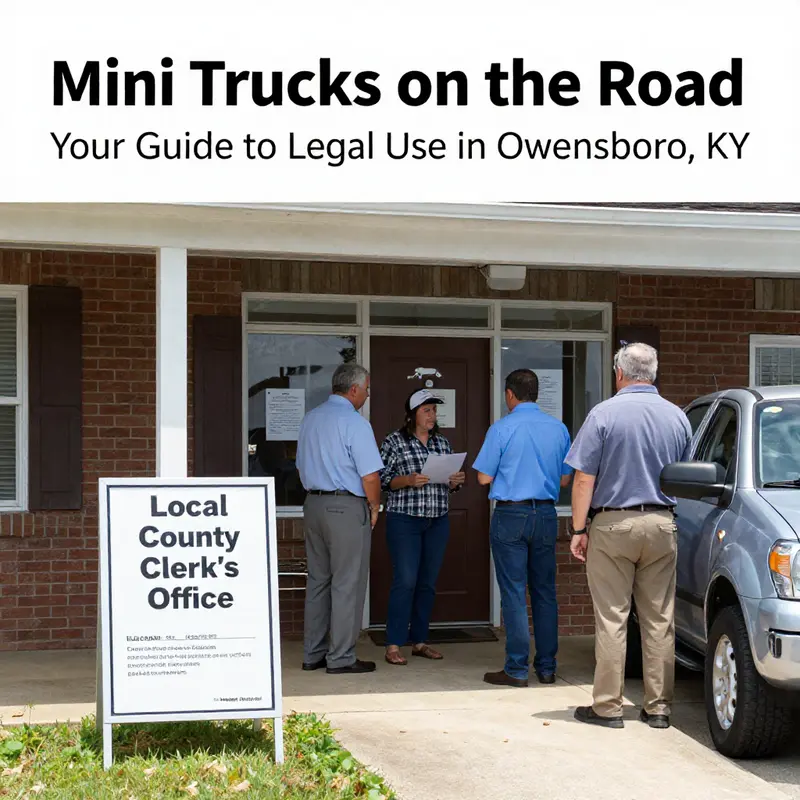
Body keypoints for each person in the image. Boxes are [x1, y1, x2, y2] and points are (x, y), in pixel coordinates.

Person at [566, 342, 691, 729]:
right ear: (653, 373)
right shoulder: (677, 417)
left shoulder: (603, 414)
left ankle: (608, 706)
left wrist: (577, 528)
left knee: (612, 618)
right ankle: (658, 708)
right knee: (659, 620)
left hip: (613, 524)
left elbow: (583, 478)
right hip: (661, 522)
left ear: (619, 373)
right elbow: (686, 477)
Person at [472, 369, 572, 687]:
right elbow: (566, 479)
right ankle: (546, 667)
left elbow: (483, 478)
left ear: (510, 395)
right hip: (545, 514)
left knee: (514, 594)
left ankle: (516, 669)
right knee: (545, 592)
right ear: (537, 393)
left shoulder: (501, 428)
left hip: (511, 515)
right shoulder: (558, 429)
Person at [296, 363, 384, 675]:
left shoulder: (311, 418)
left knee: (318, 581)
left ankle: (313, 653)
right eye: (367, 388)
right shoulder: (355, 423)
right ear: (354, 389)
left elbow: (299, 465)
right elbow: (370, 476)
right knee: (348, 583)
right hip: (345, 506)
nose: (368, 394)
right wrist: (375, 507)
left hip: (313, 504)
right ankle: (342, 657)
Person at [378, 389, 466, 665]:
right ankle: (393, 643)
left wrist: (455, 481)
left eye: (434, 410)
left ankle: (419, 641)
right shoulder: (394, 441)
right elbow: (383, 480)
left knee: (427, 583)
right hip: (404, 519)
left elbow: (451, 486)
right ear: (413, 414)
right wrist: (408, 480)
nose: (432, 415)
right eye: (426, 410)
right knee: (405, 580)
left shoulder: (442, 443)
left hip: (436, 520)